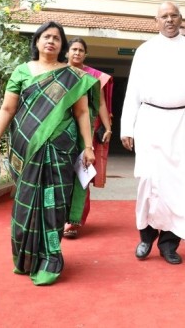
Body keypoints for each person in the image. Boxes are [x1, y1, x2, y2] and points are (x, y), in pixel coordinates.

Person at [0, 21, 98, 285]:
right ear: (36, 42)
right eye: (46, 37)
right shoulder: (21, 71)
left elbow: (82, 112)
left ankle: (50, 260)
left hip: (60, 148)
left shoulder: (73, 76)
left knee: (54, 203)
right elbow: (7, 109)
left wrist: (89, 146)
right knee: (26, 204)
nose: (51, 41)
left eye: (57, 38)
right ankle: (25, 259)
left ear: (63, 46)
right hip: (26, 148)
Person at [120, 1, 185, 265]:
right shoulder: (145, 50)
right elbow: (133, 92)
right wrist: (127, 127)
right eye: (164, 16)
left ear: (181, 19)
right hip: (150, 121)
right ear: (156, 21)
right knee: (149, 183)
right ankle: (145, 237)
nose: (169, 20)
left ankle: (169, 245)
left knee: (181, 186)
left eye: (174, 15)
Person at [62, 37, 113, 239]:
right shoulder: (58, 72)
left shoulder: (92, 77)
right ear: (67, 52)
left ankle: (74, 221)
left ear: (86, 54)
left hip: (86, 131)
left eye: (81, 50)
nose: (77, 53)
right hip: (61, 129)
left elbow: (100, 104)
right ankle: (58, 218)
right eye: (73, 49)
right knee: (62, 173)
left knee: (82, 174)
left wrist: (107, 127)